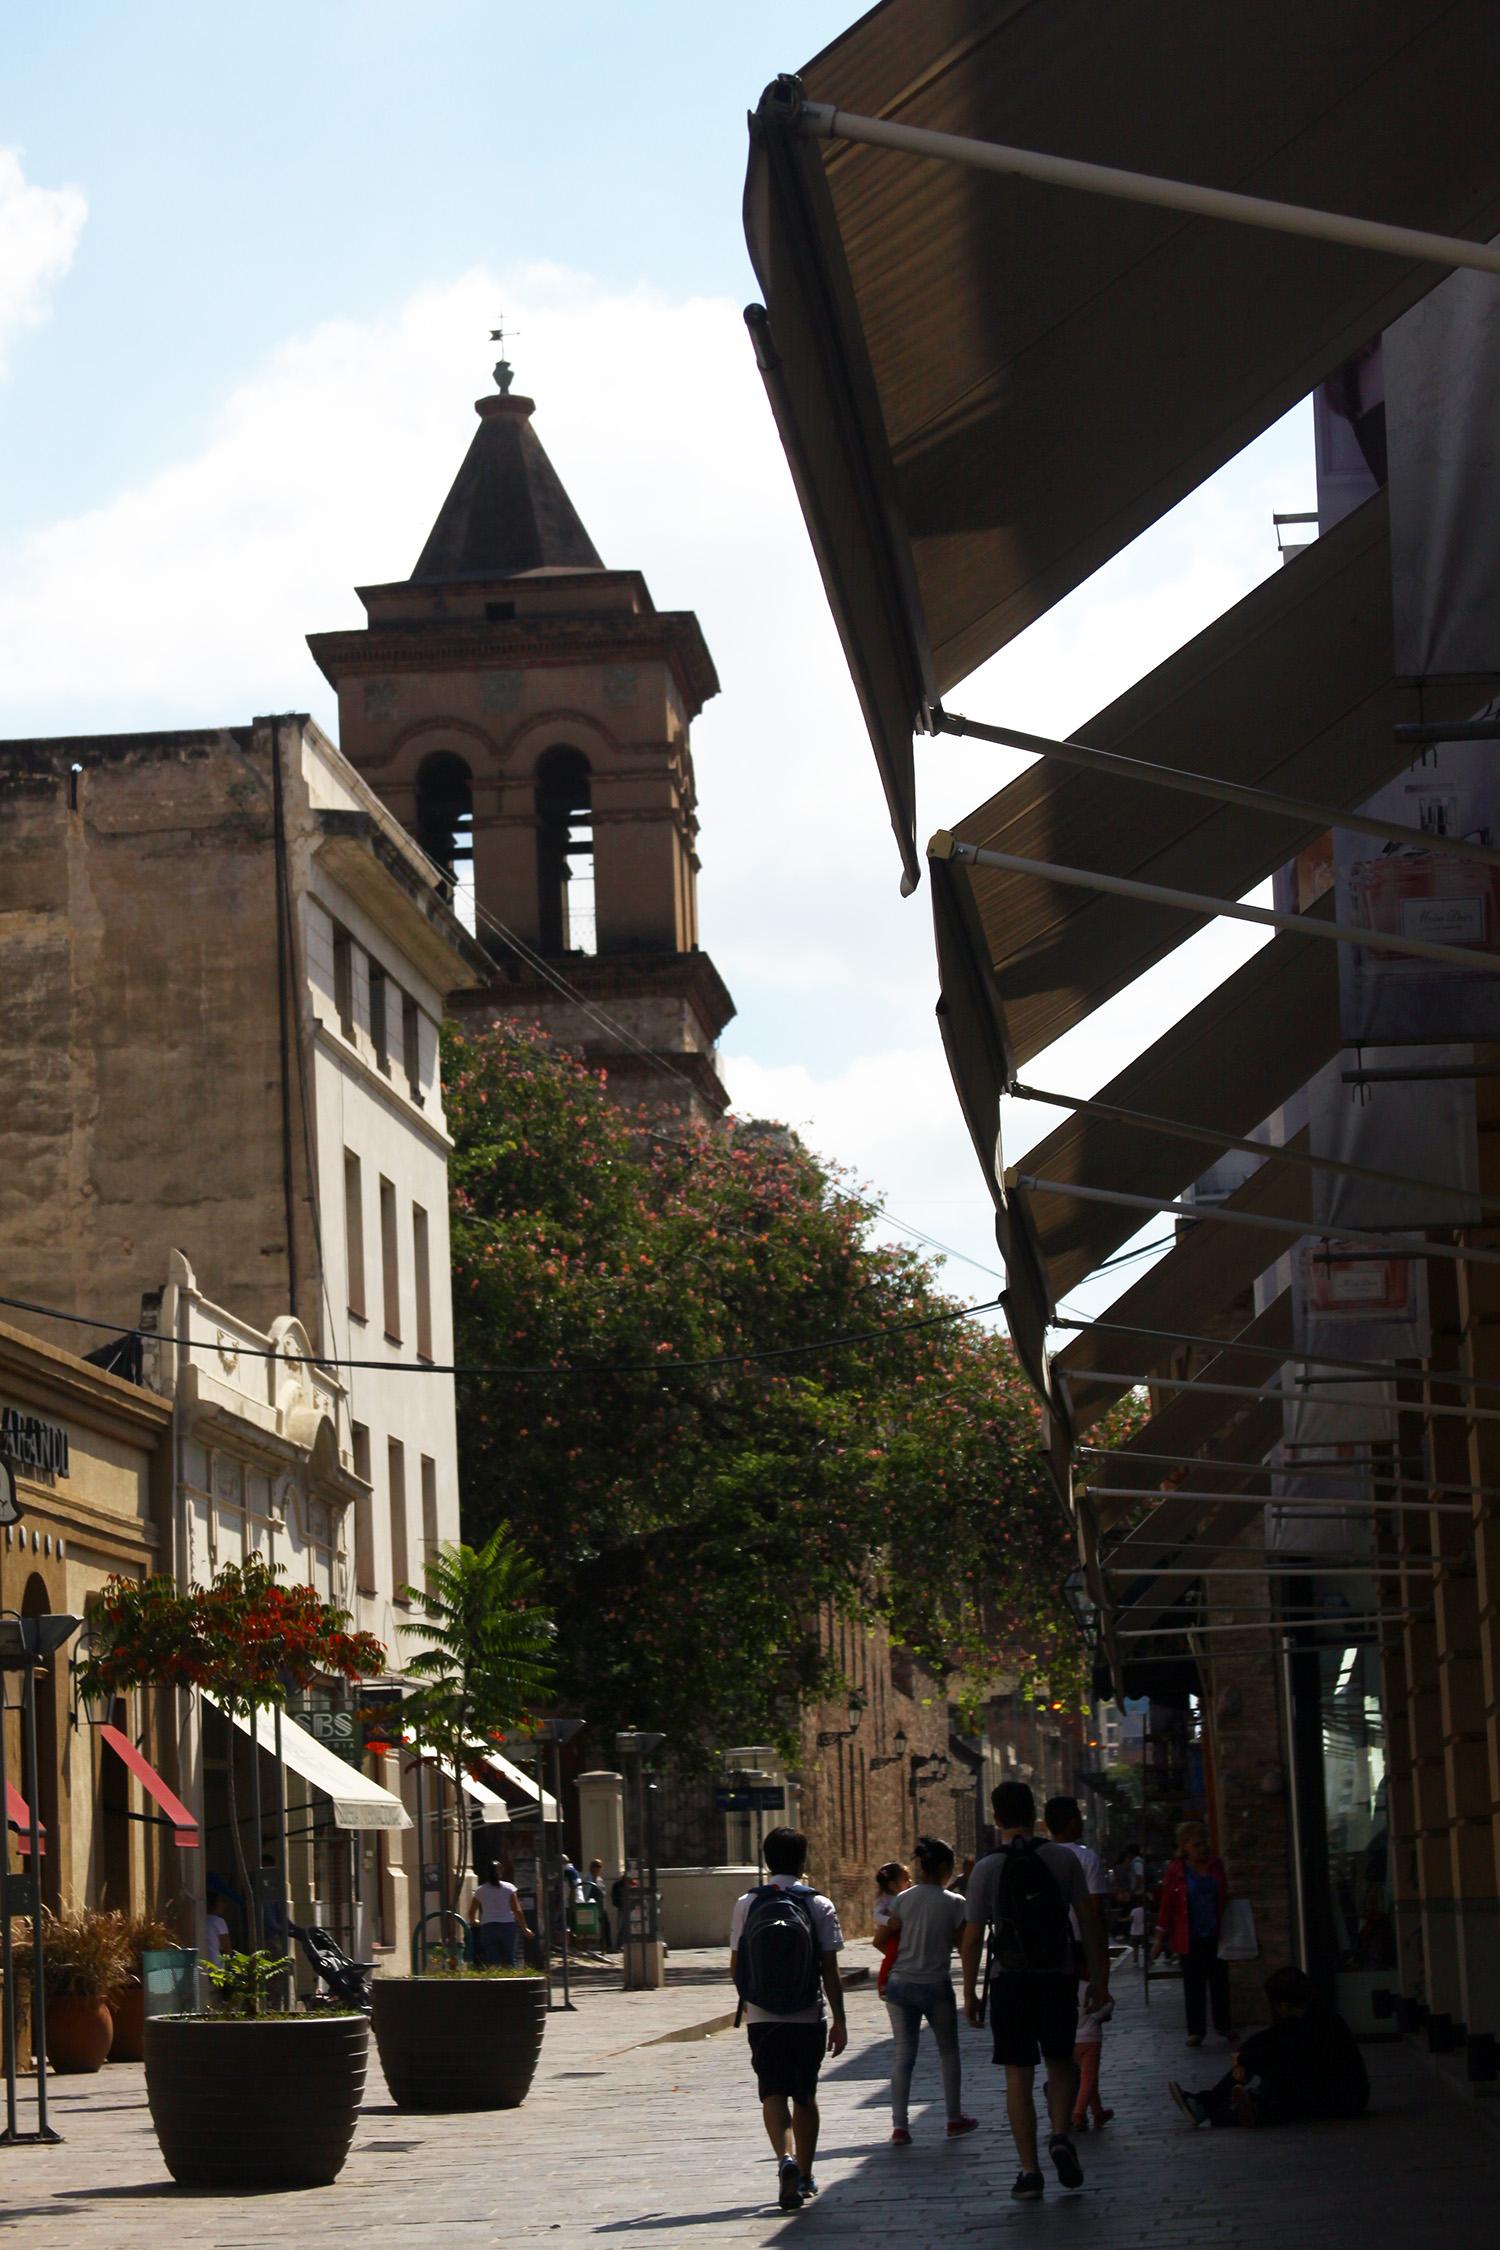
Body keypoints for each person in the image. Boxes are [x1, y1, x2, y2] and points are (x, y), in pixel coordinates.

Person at [961, 1781, 1109, 2202]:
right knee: (1061, 2062)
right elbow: (1090, 1921)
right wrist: (1098, 1979)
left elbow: (972, 1937)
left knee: (1018, 2076)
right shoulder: (1061, 1859)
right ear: (1034, 1815)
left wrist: (970, 1992)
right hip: (1057, 1975)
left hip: (1010, 1980)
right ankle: (1060, 2133)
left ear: (997, 1818)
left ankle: (1029, 2170)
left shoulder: (987, 1868)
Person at [729, 1827, 847, 2213]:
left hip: (763, 2017)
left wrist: (753, 2000)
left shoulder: (747, 1903)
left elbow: (735, 1964)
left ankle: (785, 2159)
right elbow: (829, 1970)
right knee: (805, 2095)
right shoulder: (819, 1904)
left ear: (766, 1860)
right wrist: (840, 2021)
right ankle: (808, 2175)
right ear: (803, 1860)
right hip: (807, 2013)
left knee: (772, 2092)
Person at [1169, 1965, 1369, 2128]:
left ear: (1282, 2005)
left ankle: (1235, 2109)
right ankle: (1216, 2104)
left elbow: (1285, 2053)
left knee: (1278, 2076)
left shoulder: (1321, 2023)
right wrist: (1242, 2057)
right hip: (1325, 2090)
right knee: (1267, 2065)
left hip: (1343, 2099)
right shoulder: (1305, 2016)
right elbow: (1267, 2038)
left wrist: (1246, 2060)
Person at [881, 1835, 977, 2144]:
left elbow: (884, 1940)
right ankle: (953, 2118)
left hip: (900, 1984)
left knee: (903, 2056)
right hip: (936, 1985)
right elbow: (964, 1948)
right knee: (948, 2052)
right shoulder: (955, 1903)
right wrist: (970, 1990)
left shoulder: (902, 1899)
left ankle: (899, 2127)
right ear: (947, 1867)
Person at [1153, 1821, 1233, 2046]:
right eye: (1197, 1845)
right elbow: (1167, 1905)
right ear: (1185, 1846)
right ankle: (1196, 2030)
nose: (1203, 1849)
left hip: (1216, 1933)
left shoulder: (1216, 1865)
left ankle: (1223, 2024)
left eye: (1204, 1844)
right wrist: (1160, 1939)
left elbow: (1224, 1893)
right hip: (1189, 1934)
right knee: (1193, 1983)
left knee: (1220, 1981)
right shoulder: (1177, 1871)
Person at [470, 1858, 530, 1967]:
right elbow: (517, 1910)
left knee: (491, 1959)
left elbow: (472, 1912)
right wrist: (524, 1927)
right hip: (507, 1925)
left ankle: (495, 1979)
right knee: (509, 1958)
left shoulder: (480, 1890)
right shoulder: (509, 1888)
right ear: (501, 1872)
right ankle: (510, 1981)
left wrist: (475, 1921)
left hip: (488, 1926)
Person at [871, 1859, 909, 1999]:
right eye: (905, 1879)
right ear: (893, 1885)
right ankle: (883, 1984)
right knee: (892, 1954)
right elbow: (877, 1915)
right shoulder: (885, 1899)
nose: (909, 1882)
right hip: (893, 1933)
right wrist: (888, 1921)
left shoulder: (907, 1895)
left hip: (904, 1932)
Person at [582, 1855, 611, 1948]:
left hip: (600, 1905)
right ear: (592, 1868)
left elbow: (603, 1892)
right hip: (590, 1905)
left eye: (600, 1867)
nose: (599, 1869)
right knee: (587, 1926)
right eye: (597, 1866)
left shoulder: (600, 1879)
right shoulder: (587, 1878)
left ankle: (607, 1946)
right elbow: (585, 1891)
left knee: (606, 1925)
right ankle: (585, 1945)